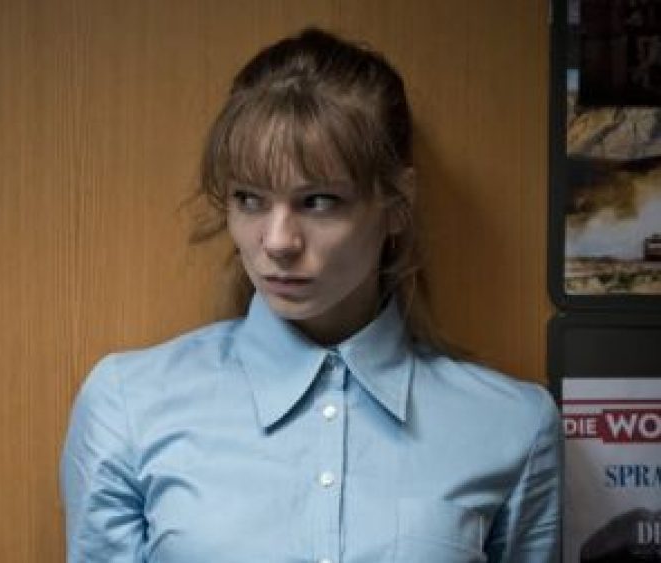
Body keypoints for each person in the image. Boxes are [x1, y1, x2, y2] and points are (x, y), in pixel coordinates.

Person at [61, 27, 561, 563]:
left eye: (319, 201)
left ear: (396, 204)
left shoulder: (513, 426)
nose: (278, 242)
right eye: (249, 199)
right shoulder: (128, 404)